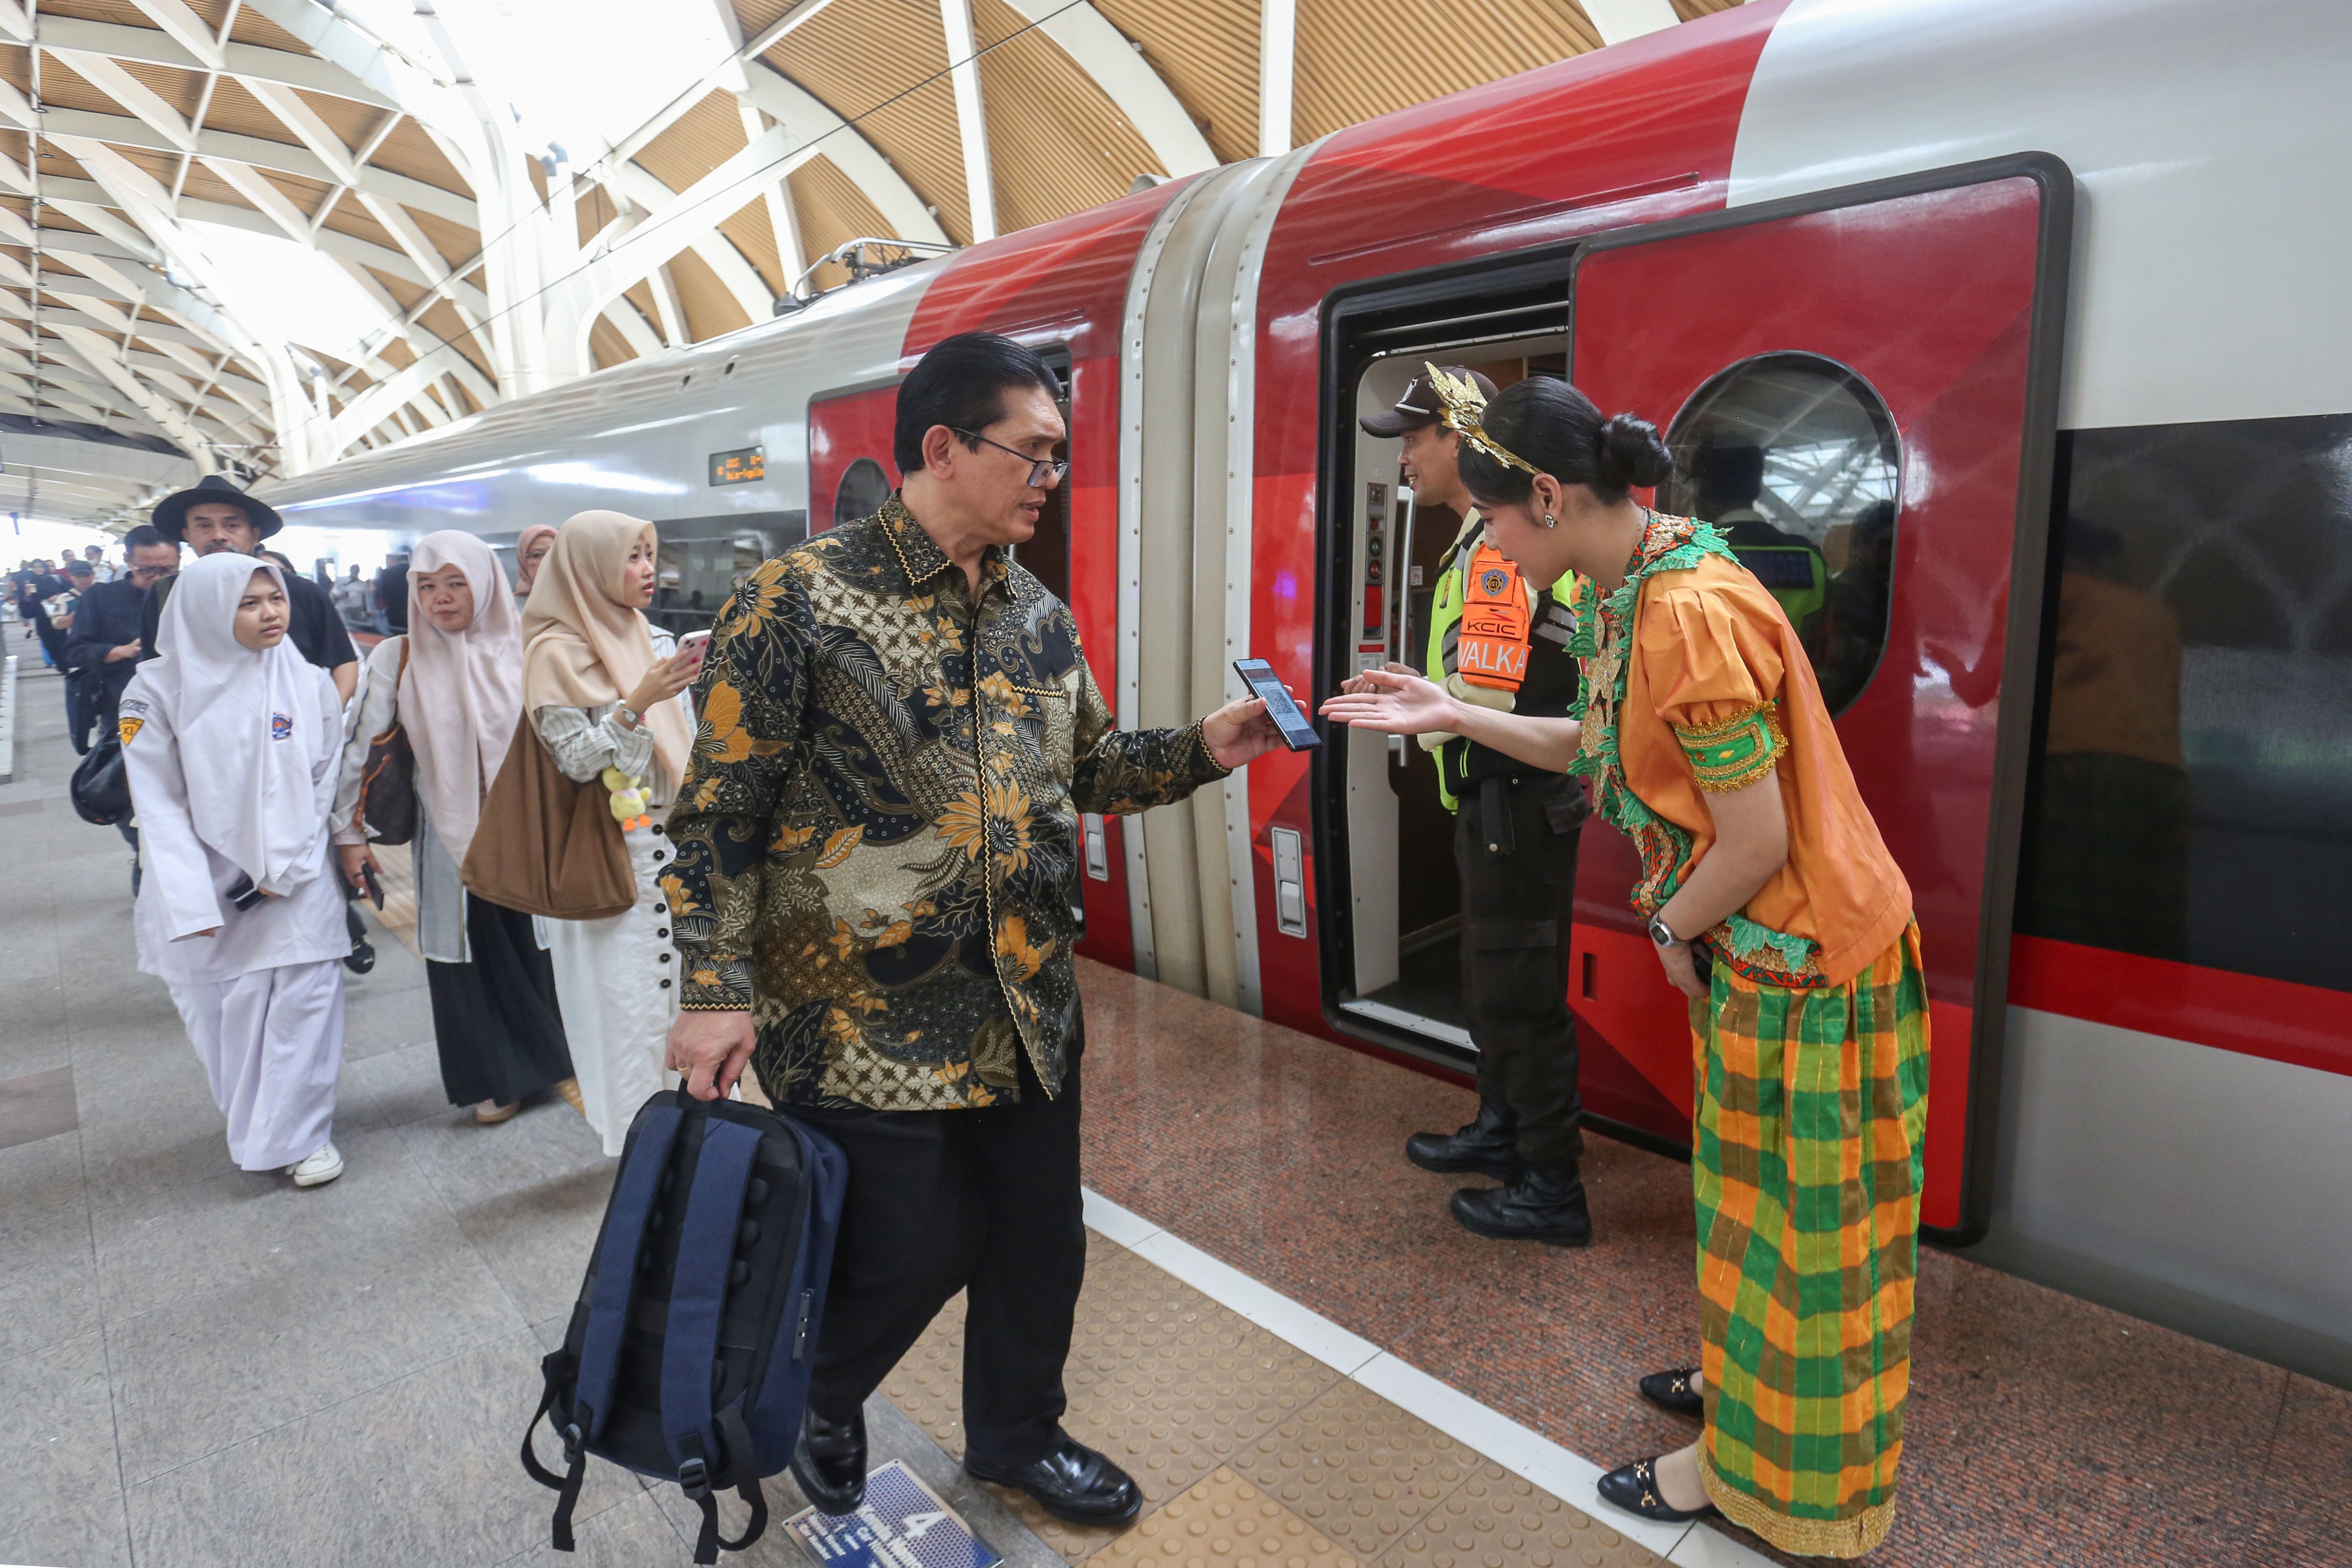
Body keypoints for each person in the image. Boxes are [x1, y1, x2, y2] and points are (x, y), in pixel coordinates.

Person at [662, 332, 1291, 1527]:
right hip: (855, 1016)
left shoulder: (1035, 616)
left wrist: (1209, 746)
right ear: (941, 447)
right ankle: (821, 1394)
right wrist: (711, 988)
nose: (1051, 476)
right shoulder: (798, 601)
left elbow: (1091, 769)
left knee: (1036, 1249)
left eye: (1058, 456)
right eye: (1033, 452)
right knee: (910, 1246)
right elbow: (719, 810)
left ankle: (1017, 1434)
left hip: (1024, 1004)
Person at [1321, 372, 1926, 1558]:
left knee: (1804, 1238)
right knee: (1755, 1213)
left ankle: (1762, 1485)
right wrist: (1455, 711)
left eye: (1493, 518)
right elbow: (1600, 744)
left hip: (1808, 961)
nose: (1484, 540)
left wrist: (1668, 929)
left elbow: (1752, 841)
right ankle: (1749, 1395)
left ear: (1545, 494)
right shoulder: (1646, 576)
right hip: (1770, 952)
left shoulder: (1684, 614)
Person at [1354, 366, 1593, 1244]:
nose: (1406, 458)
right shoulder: (1476, 542)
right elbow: (1487, 683)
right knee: (1493, 987)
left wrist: (1437, 705)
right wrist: (1429, 691)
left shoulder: (1496, 550)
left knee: (1518, 996)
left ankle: (1549, 1186)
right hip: (1496, 794)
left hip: (1516, 799)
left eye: (1416, 439)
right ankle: (1504, 1130)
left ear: (1460, 440)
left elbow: (1495, 701)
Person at [118, 552, 351, 1188]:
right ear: (205, 611)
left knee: (306, 1003)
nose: (270, 613)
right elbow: (158, 800)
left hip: (297, 878)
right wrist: (189, 901)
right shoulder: (154, 690)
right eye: (248, 604)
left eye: (273, 599)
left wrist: (298, 860)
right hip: (206, 881)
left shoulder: (302, 677)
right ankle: (260, 1122)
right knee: (225, 1014)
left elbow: (324, 773)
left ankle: (302, 1136)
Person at [334, 532, 576, 1123]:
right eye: (426, 585)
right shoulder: (400, 655)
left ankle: (552, 1058)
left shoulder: (530, 644)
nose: (439, 598)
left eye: (455, 582)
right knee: (468, 953)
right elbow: (358, 746)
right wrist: (349, 833)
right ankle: (498, 1077)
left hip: (531, 829)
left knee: (538, 943)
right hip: (449, 833)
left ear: (486, 581)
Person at [522, 510, 702, 1156]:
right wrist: (638, 701)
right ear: (590, 566)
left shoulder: (652, 637)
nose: (649, 569)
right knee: (627, 1013)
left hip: (675, 850)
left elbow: (685, 748)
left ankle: (705, 1140)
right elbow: (577, 762)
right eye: (632, 556)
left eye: (651, 554)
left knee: (692, 1007)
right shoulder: (556, 652)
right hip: (609, 856)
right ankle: (643, 1152)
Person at [138, 476, 361, 705]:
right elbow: (153, 669)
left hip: (290, 730)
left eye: (232, 526)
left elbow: (343, 661)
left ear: (254, 535)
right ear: (187, 535)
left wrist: (324, 722)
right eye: (204, 526)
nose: (218, 536)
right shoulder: (166, 594)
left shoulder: (301, 592)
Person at [67, 526, 177, 749]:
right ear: (128, 560)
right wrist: (119, 651)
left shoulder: (188, 593)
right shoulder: (101, 597)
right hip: (124, 708)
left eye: (167, 570)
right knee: (128, 775)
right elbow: (75, 652)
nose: (157, 578)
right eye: (146, 570)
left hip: (183, 707)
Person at [52, 559, 100, 751]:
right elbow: (57, 623)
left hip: (105, 653)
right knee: (83, 702)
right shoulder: (65, 599)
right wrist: (80, 614)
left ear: (93, 575)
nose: (83, 579)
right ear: (71, 578)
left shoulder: (104, 594)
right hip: (81, 657)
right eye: (78, 576)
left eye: (86, 575)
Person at [513, 523, 556, 609]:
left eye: (553, 553)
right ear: (523, 561)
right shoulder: (511, 608)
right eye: (537, 555)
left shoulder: (578, 601)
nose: (547, 561)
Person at [333, 565, 372, 630]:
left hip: (357, 608)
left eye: (357, 570)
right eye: (354, 570)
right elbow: (335, 592)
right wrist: (342, 595)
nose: (355, 571)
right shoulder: (342, 581)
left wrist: (368, 610)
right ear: (351, 570)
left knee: (357, 627)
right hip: (345, 607)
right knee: (346, 626)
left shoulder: (362, 584)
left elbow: (366, 598)